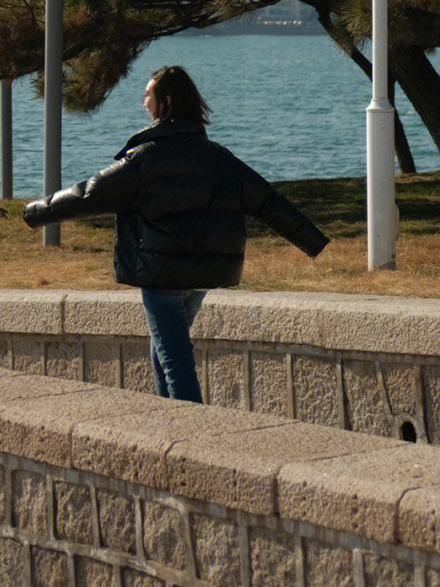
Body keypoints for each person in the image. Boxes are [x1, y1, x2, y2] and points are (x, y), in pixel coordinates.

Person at [22, 64, 329, 403]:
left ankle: (190, 436)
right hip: (202, 276)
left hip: (162, 274)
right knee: (164, 348)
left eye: (148, 95)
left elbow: (89, 194)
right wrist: (312, 242)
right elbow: (268, 202)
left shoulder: (144, 158)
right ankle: (165, 418)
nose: (143, 103)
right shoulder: (219, 158)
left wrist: (35, 212)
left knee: (174, 358)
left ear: (165, 102)